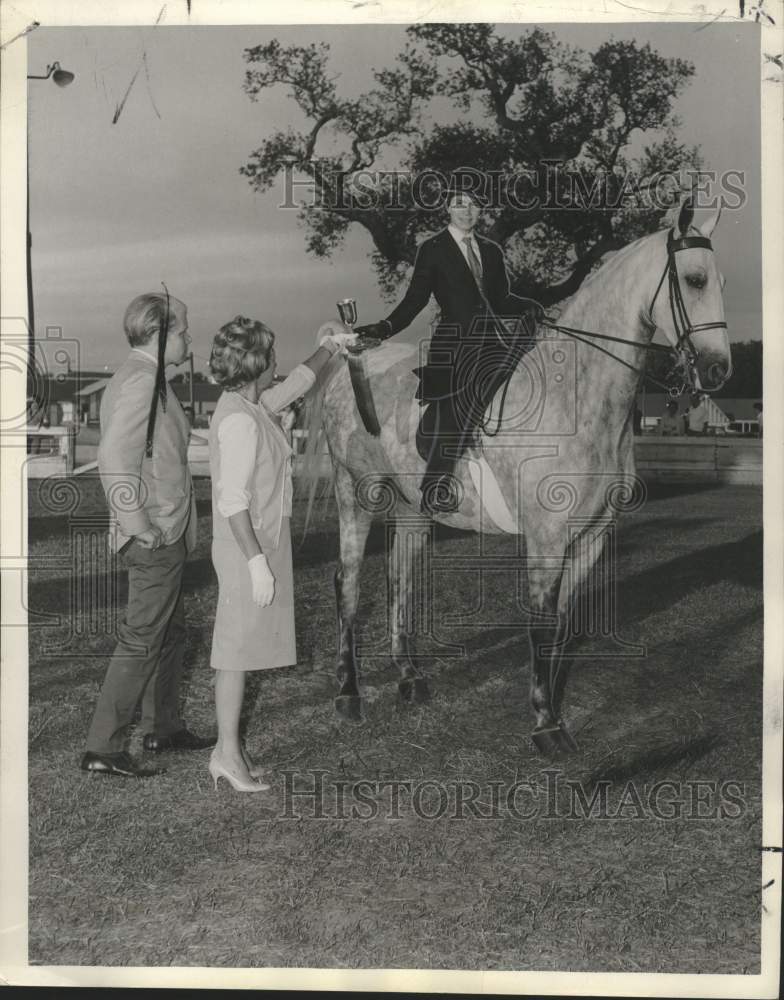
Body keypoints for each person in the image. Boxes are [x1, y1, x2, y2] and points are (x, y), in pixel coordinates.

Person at [207, 315, 356, 792]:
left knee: (242, 649)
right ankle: (227, 756)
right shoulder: (239, 421)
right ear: (256, 364)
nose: (277, 363)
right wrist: (255, 563)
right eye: (271, 357)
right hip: (246, 545)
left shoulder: (252, 404)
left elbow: (297, 383)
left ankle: (229, 751)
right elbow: (232, 501)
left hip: (263, 538)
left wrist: (330, 347)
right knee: (233, 652)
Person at [81, 292, 215, 779]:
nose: (189, 338)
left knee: (170, 632)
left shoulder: (151, 378)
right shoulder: (140, 381)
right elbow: (115, 461)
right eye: (183, 330)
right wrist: (141, 528)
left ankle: (164, 727)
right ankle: (103, 747)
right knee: (142, 637)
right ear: (159, 335)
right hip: (154, 535)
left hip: (168, 530)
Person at [354, 186, 544, 515]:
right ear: (448, 209)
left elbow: (501, 300)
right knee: (461, 395)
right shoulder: (433, 249)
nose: (466, 210)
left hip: (493, 343)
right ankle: (436, 483)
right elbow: (415, 300)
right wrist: (385, 327)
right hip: (453, 345)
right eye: (459, 205)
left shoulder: (492, 250)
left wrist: (529, 305)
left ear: (480, 210)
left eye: (473, 205)